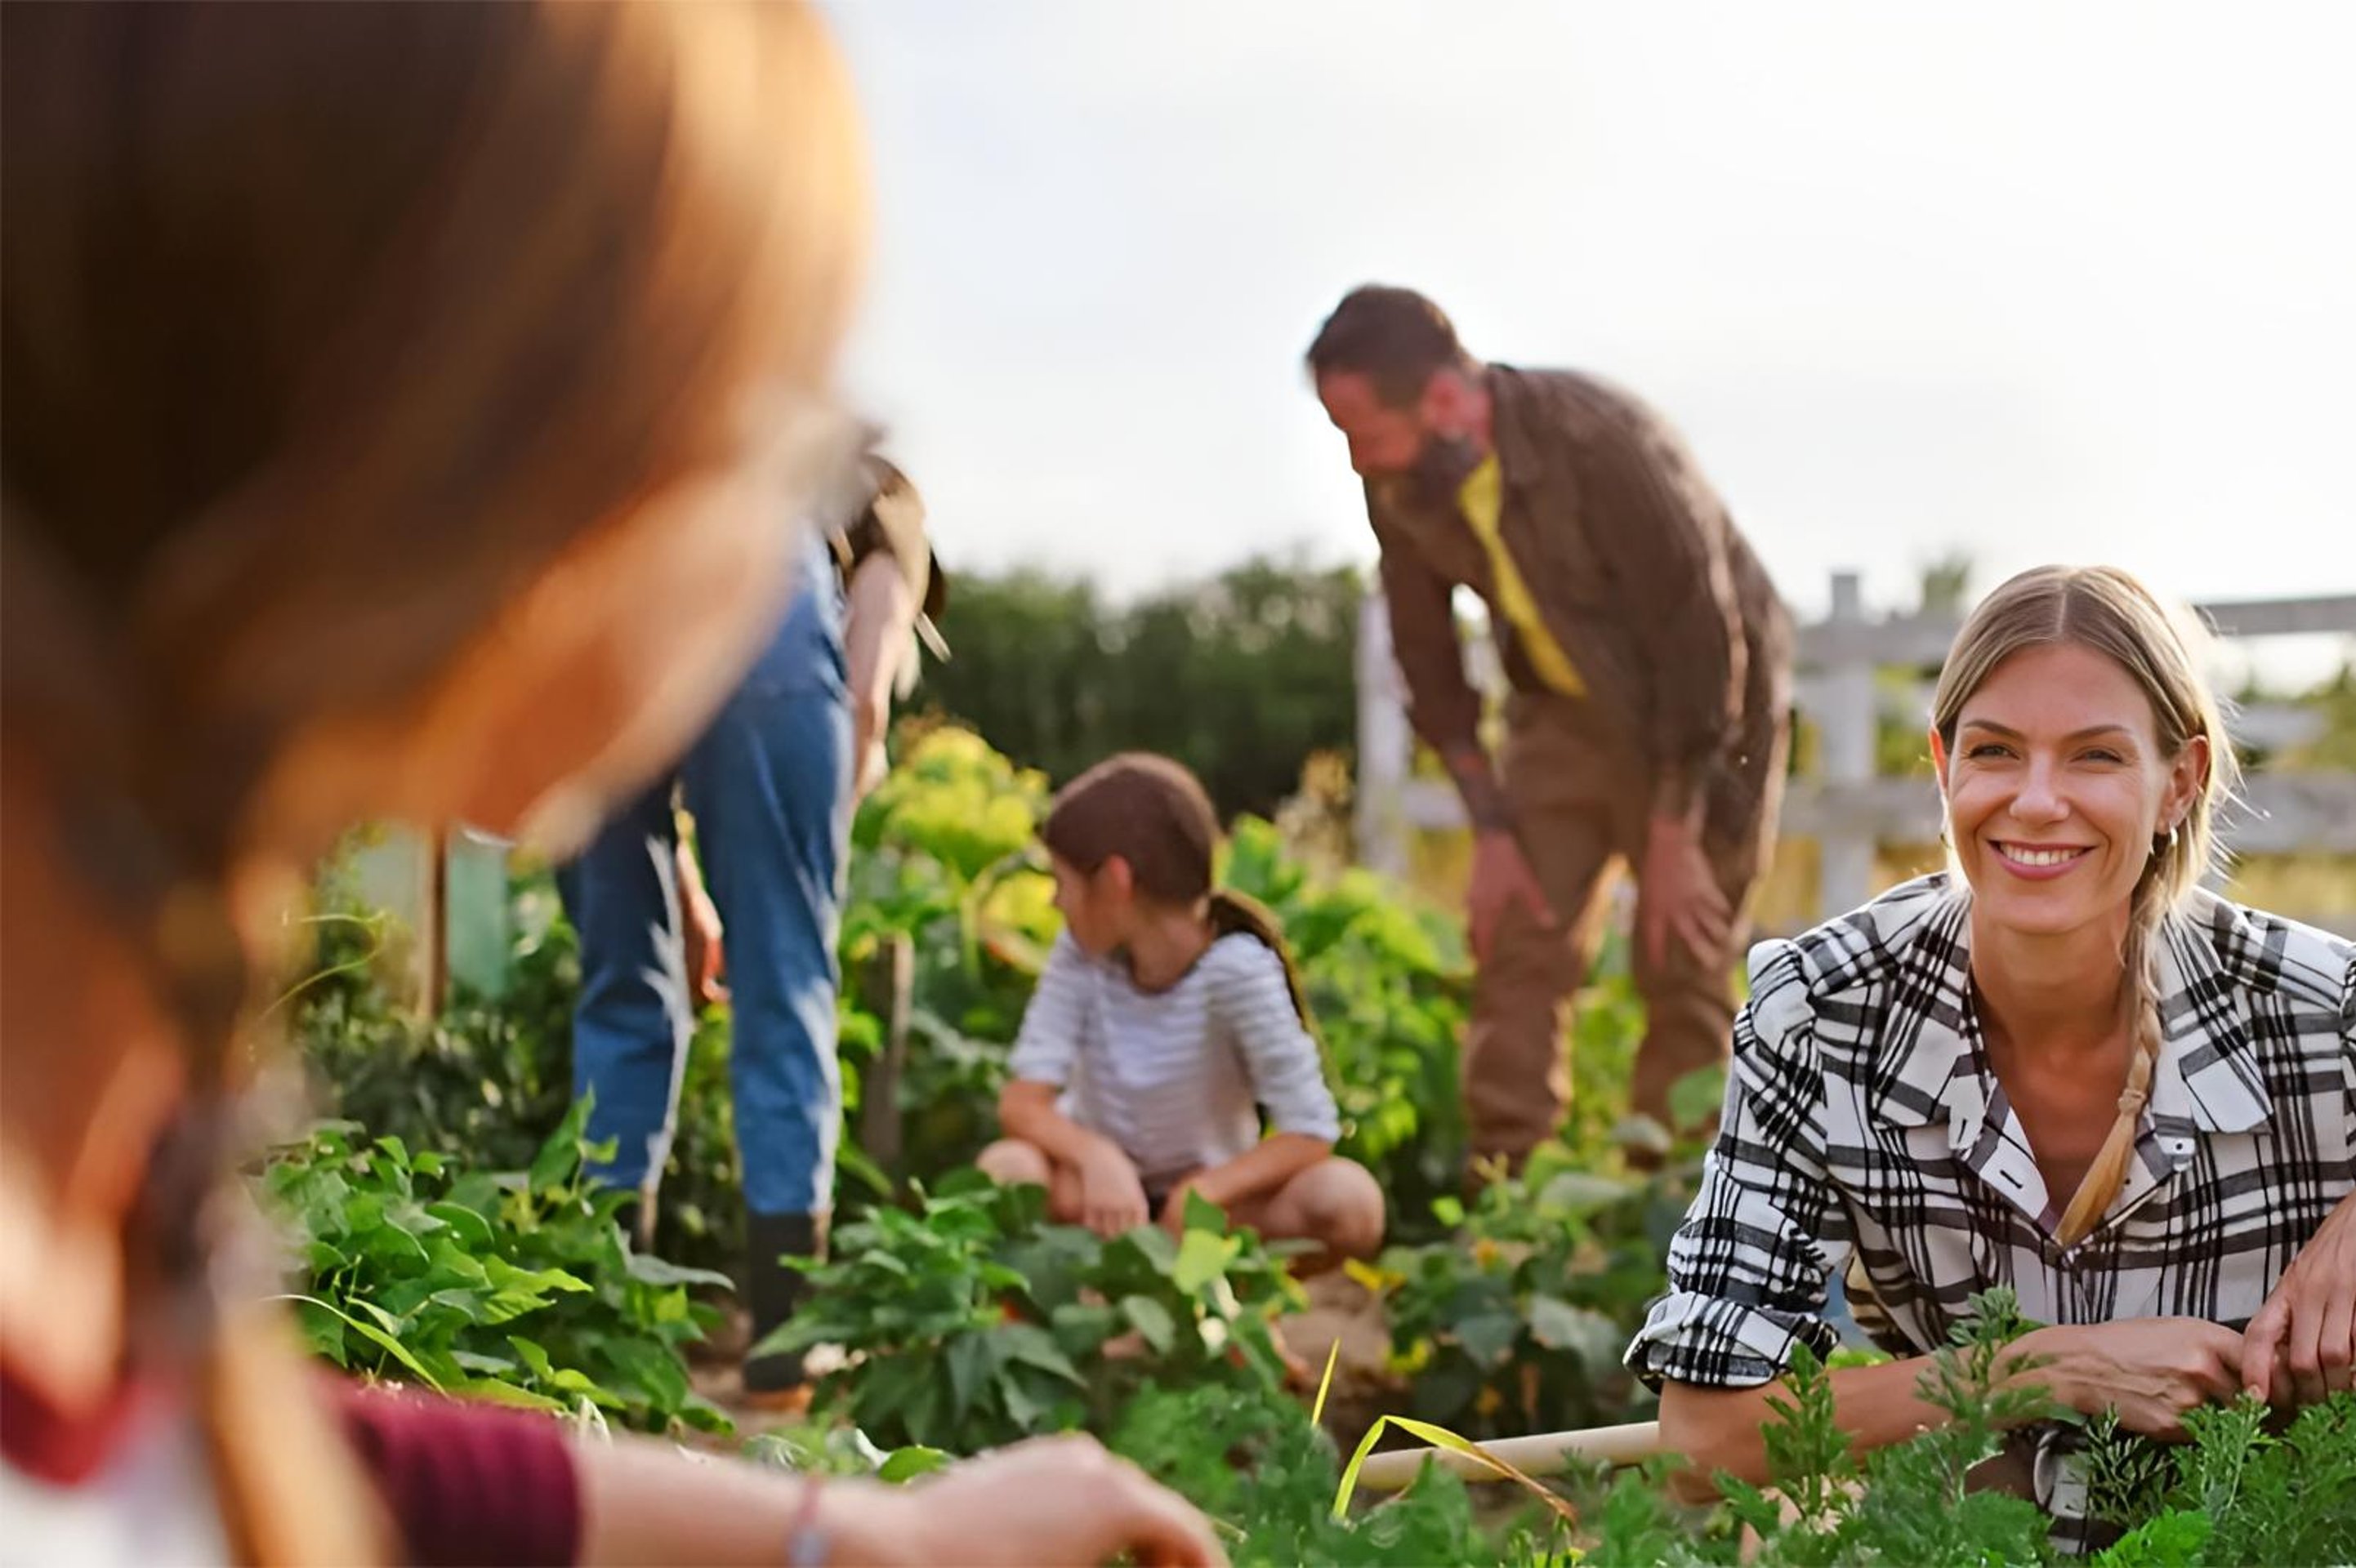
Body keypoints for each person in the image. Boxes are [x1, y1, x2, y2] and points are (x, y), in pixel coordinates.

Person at [0, 5, 1220, 1565]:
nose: (783, 511)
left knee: (659, 991)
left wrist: (862, 1541)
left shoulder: (86, 1166)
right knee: (770, 990)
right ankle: (756, 1324)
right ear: (537, 451)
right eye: (781, 425)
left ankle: (649, 1277)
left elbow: (193, 1463)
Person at [1624, 565, 2356, 1554]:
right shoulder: (1823, 1012)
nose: (2035, 800)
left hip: (2282, 1520)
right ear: (1944, 768)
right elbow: (1701, 1441)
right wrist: (2046, 1369)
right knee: (1816, 1524)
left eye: (2095, 756)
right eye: (1996, 751)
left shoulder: (2319, 1013)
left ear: (2179, 781)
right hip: (1986, 1518)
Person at [1306, 285, 1796, 1173]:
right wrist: (1491, 831)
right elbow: (1427, 660)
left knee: (1681, 951)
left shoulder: (1602, 442)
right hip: (1561, 712)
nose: (1354, 459)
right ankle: (1509, 1193)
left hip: (1707, 715)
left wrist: (1675, 830)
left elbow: (1700, 637)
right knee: (1517, 935)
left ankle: (1674, 1194)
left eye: (1363, 432)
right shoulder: (1401, 487)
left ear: (1444, 400)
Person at [556, 448, 941, 1413]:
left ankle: (610, 1328)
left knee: (623, 986)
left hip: (589, 598)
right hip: (760, 594)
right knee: (785, 982)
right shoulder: (858, 496)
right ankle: (783, 1345)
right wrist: (860, 715)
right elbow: (872, 671)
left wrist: (677, 883)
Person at [978, 755, 1385, 1272]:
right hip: (1099, 1202)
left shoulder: (1236, 970)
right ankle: (1082, 1292)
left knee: (1348, 1200)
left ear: (1115, 881)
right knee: (1007, 1170)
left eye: (1063, 882)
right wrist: (1097, 1157)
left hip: (1210, 1212)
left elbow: (1309, 1130)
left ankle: (1227, 1291)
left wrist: (1203, 1194)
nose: (1056, 902)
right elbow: (1022, 1104)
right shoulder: (1080, 957)